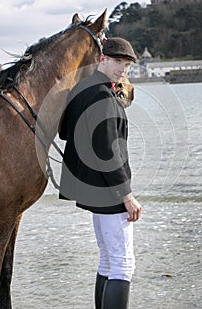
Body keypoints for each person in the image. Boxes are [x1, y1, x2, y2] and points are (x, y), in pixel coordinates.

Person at [59, 37, 142, 309]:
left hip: (92, 187)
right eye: (118, 62)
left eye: (127, 65)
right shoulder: (103, 95)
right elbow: (108, 152)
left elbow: (64, 132)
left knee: (108, 259)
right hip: (109, 190)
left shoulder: (82, 87)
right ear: (103, 58)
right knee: (123, 264)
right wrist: (126, 196)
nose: (123, 69)